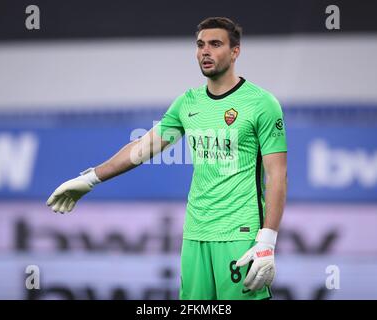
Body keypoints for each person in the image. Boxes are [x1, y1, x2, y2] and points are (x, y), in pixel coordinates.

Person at [47, 17, 287, 300]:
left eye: (215, 44)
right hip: (195, 234)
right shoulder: (188, 103)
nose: (205, 51)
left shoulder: (261, 103)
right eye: (200, 45)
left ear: (235, 52)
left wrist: (267, 240)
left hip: (239, 234)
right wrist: (89, 179)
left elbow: (277, 174)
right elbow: (142, 148)